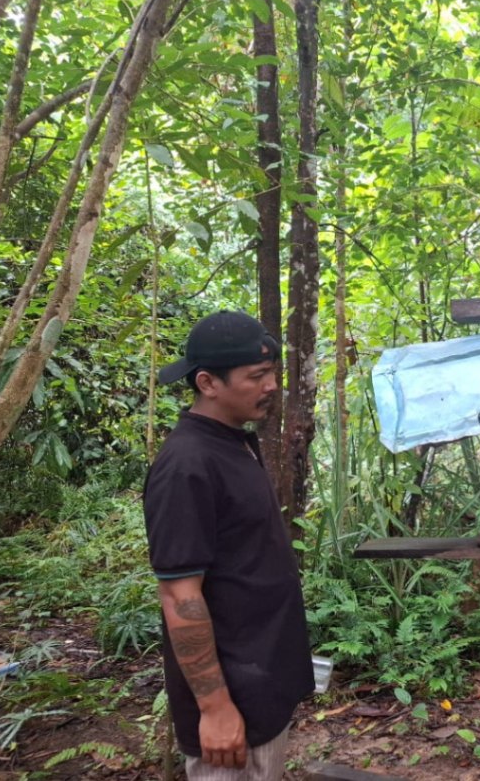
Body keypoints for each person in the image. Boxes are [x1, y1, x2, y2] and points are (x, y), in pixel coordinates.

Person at [143, 310, 313, 779]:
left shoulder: (235, 441)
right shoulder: (186, 466)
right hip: (231, 698)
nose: (272, 385)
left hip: (260, 680)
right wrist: (215, 708)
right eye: (257, 376)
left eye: (273, 373)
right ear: (207, 382)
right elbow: (180, 594)